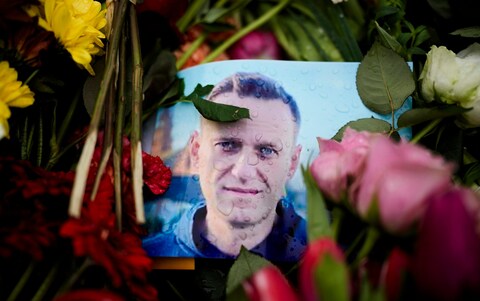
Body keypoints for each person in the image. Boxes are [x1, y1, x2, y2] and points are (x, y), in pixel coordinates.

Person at [143, 72, 307, 262]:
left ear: (292, 163)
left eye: (267, 150)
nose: (243, 172)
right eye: (227, 145)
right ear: (196, 152)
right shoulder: (147, 259)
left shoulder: (333, 263)